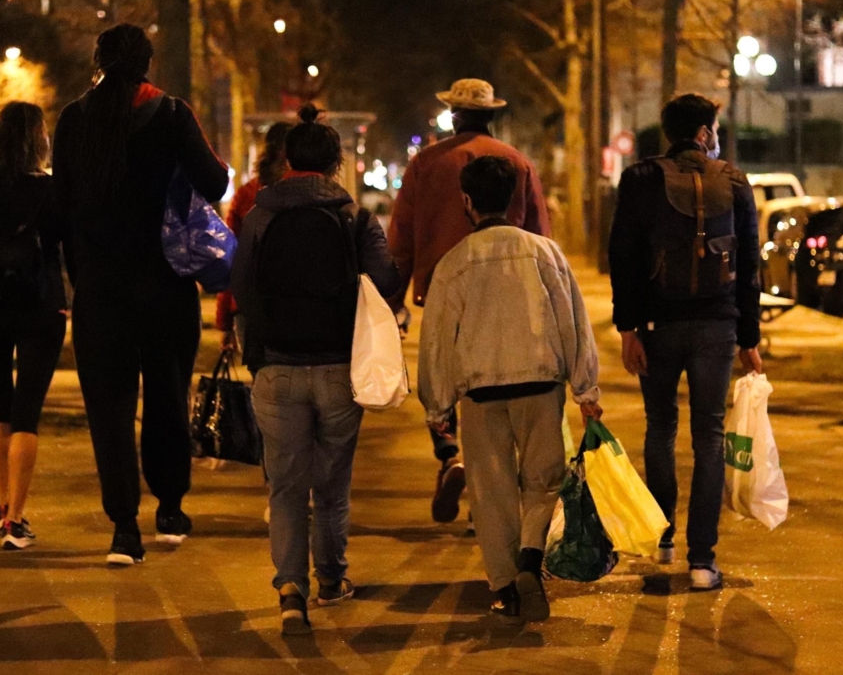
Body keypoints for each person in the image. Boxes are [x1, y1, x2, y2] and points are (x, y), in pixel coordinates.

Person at [52, 24, 229, 565]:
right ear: (148, 63)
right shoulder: (171, 114)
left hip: (100, 289)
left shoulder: (74, 119)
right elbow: (215, 183)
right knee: (166, 394)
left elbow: (60, 206)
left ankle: (123, 527)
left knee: (108, 407)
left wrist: (79, 276)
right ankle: (170, 508)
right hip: (165, 283)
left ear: (99, 62)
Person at [231, 103, 401, 636]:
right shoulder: (354, 217)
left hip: (275, 369)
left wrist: (256, 354)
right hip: (337, 368)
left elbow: (240, 288)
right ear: (336, 163)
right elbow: (387, 281)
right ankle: (331, 579)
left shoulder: (261, 216)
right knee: (331, 484)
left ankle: (289, 590)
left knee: (284, 486)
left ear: (286, 161)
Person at [418, 155, 600, 622]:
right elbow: (572, 321)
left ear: (466, 201)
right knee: (543, 482)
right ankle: (530, 560)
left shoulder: (454, 263)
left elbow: (436, 337)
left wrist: (435, 402)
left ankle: (503, 588)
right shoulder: (544, 253)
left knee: (490, 489)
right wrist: (586, 387)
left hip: (479, 392)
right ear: (516, 199)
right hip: (541, 384)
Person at [608, 93, 761, 591]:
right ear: (703, 132)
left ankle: (664, 536)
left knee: (660, 429)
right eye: (714, 128)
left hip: (657, 326)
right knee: (709, 436)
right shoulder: (735, 181)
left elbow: (624, 256)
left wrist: (627, 328)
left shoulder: (640, 179)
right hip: (717, 325)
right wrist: (749, 338)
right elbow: (750, 268)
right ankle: (702, 561)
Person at [387, 78, 550, 525]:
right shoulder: (519, 164)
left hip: (444, 290)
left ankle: (449, 454)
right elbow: (539, 232)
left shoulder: (426, 164)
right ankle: (490, 485)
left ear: (454, 116)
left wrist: (392, 302)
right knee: (493, 386)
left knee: (442, 378)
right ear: (492, 116)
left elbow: (400, 239)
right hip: (508, 291)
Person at [0, 102, 68, 551]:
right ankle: (16, 519)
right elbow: (66, 247)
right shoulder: (50, 191)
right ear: (37, 141)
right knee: (27, 413)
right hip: (40, 307)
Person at [216, 121, 293, 350]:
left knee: (261, 378)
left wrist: (225, 320)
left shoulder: (247, 194)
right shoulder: (309, 194)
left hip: (248, 304)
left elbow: (230, 257)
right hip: (293, 306)